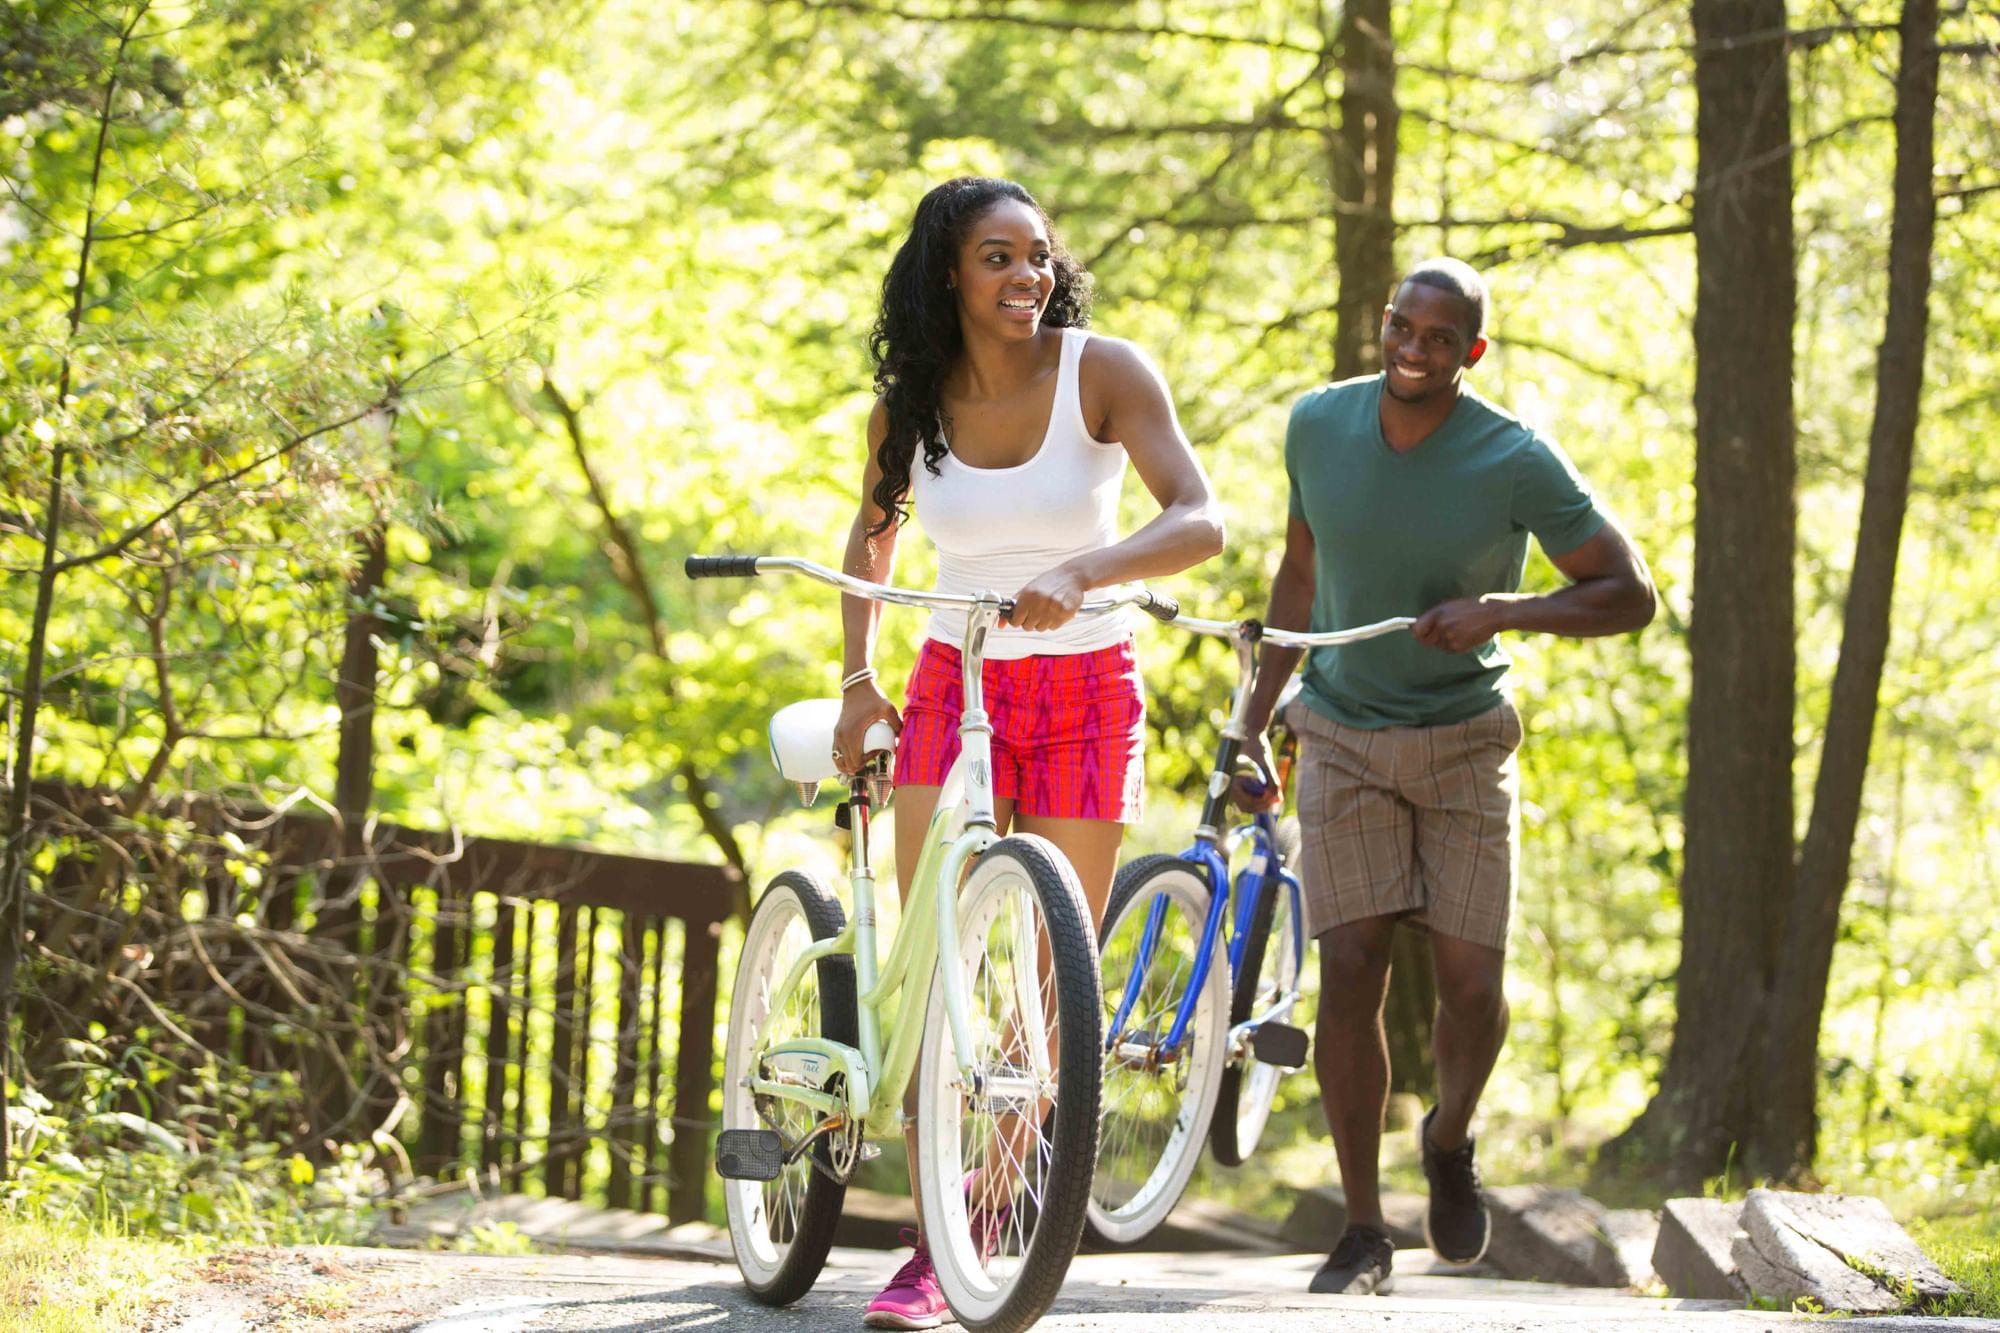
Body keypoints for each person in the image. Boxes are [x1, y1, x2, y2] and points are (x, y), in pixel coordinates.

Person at [831, 176, 1224, 1330]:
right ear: (946, 272)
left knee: (1053, 982)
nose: (1026, 277)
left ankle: (983, 1214)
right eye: (998, 258)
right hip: (953, 678)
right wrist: (856, 678)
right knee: (935, 955)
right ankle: (922, 1245)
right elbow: (870, 531)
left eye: (1038, 256)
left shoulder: (1102, 372)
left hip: (1083, 684)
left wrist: (1083, 572)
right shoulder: (910, 403)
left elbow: (1199, 516)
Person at [1234, 258, 1656, 1297]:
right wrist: (1250, 719)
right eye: (1400, 328)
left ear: (1469, 352)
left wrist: (1502, 612)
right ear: (1382, 326)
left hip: (1463, 738)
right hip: (1337, 731)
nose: (1411, 351)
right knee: (1353, 964)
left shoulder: (1512, 459)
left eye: (1437, 339)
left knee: (1471, 986)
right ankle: (1363, 1229)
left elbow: (1627, 592)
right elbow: (1298, 574)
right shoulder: (1316, 426)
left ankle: (1449, 1136)